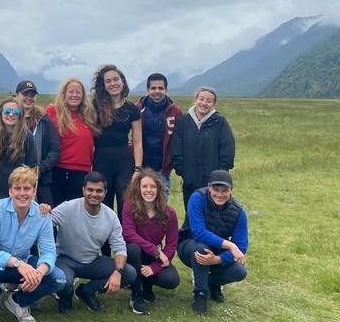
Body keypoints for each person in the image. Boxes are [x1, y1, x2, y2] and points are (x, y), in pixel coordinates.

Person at [0, 166, 67, 322]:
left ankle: (17, 301)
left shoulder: (42, 215)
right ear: (10, 191)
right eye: (17, 188)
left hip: (22, 262)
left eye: (27, 188)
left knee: (59, 279)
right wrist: (18, 263)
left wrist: (39, 272)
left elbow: (49, 252)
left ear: (34, 191)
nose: (22, 193)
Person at [51, 172, 138, 314]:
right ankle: (66, 294)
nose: (94, 194)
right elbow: (44, 222)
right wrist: (42, 209)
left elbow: (120, 248)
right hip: (65, 259)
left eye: (99, 191)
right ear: (83, 190)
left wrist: (117, 272)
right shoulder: (67, 208)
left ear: (105, 193)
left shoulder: (110, 216)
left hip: (91, 261)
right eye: (90, 190)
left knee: (129, 273)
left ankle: (86, 291)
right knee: (62, 280)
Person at [177, 170, 248, 315]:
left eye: (225, 190)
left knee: (240, 271)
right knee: (202, 249)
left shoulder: (239, 212)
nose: (220, 194)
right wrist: (230, 245)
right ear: (209, 187)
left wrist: (218, 260)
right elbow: (199, 233)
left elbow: (241, 247)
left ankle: (213, 283)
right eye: (216, 189)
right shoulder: (197, 198)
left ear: (231, 190)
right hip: (189, 244)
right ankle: (200, 294)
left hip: (216, 251)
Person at [122, 170, 180, 315]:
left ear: (159, 189)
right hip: (134, 254)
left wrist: (154, 267)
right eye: (144, 186)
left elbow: (172, 244)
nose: (149, 190)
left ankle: (147, 287)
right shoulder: (129, 207)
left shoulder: (169, 213)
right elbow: (129, 234)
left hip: (153, 257)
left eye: (152, 186)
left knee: (172, 280)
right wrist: (156, 251)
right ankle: (137, 296)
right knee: (133, 249)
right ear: (138, 188)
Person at [171, 86, 235, 214]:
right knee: (191, 215)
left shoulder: (220, 122)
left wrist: (220, 175)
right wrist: (183, 171)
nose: (204, 103)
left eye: (209, 101)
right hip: (189, 182)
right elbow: (176, 147)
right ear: (195, 100)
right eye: (201, 99)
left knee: (212, 216)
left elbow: (227, 149)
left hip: (213, 184)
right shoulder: (184, 121)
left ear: (213, 104)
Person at [91, 64, 143, 216]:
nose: (112, 84)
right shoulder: (94, 106)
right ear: (103, 85)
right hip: (100, 161)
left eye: (116, 79)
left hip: (124, 162)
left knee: (126, 205)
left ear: (123, 81)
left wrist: (138, 169)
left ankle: (124, 233)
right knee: (102, 206)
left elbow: (138, 142)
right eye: (108, 81)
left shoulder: (132, 109)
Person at [0, 96, 39, 204]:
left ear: (21, 114)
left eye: (16, 112)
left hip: (21, 196)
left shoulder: (27, 136)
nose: (11, 114)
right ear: (0, 113)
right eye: (7, 111)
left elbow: (33, 169)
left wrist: (30, 196)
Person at [44, 77, 99, 204]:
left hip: (82, 171)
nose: (74, 95)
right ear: (64, 94)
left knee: (76, 210)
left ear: (83, 95)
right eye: (71, 91)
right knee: (55, 209)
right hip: (58, 169)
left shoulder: (90, 114)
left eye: (78, 92)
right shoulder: (52, 112)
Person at [135, 73, 183, 201]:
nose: (157, 91)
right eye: (153, 88)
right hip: (140, 168)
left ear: (166, 90)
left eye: (161, 88)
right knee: (138, 205)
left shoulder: (175, 111)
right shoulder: (138, 109)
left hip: (162, 170)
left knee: (161, 206)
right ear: (147, 90)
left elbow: (181, 139)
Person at [16, 80, 60, 208]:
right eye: (25, 94)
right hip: (14, 179)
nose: (29, 98)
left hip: (40, 179)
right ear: (17, 95)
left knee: (47, 215)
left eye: (32, 95)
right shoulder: (9, 117)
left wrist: (40, 169)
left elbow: (55, 149)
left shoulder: (44, 119)